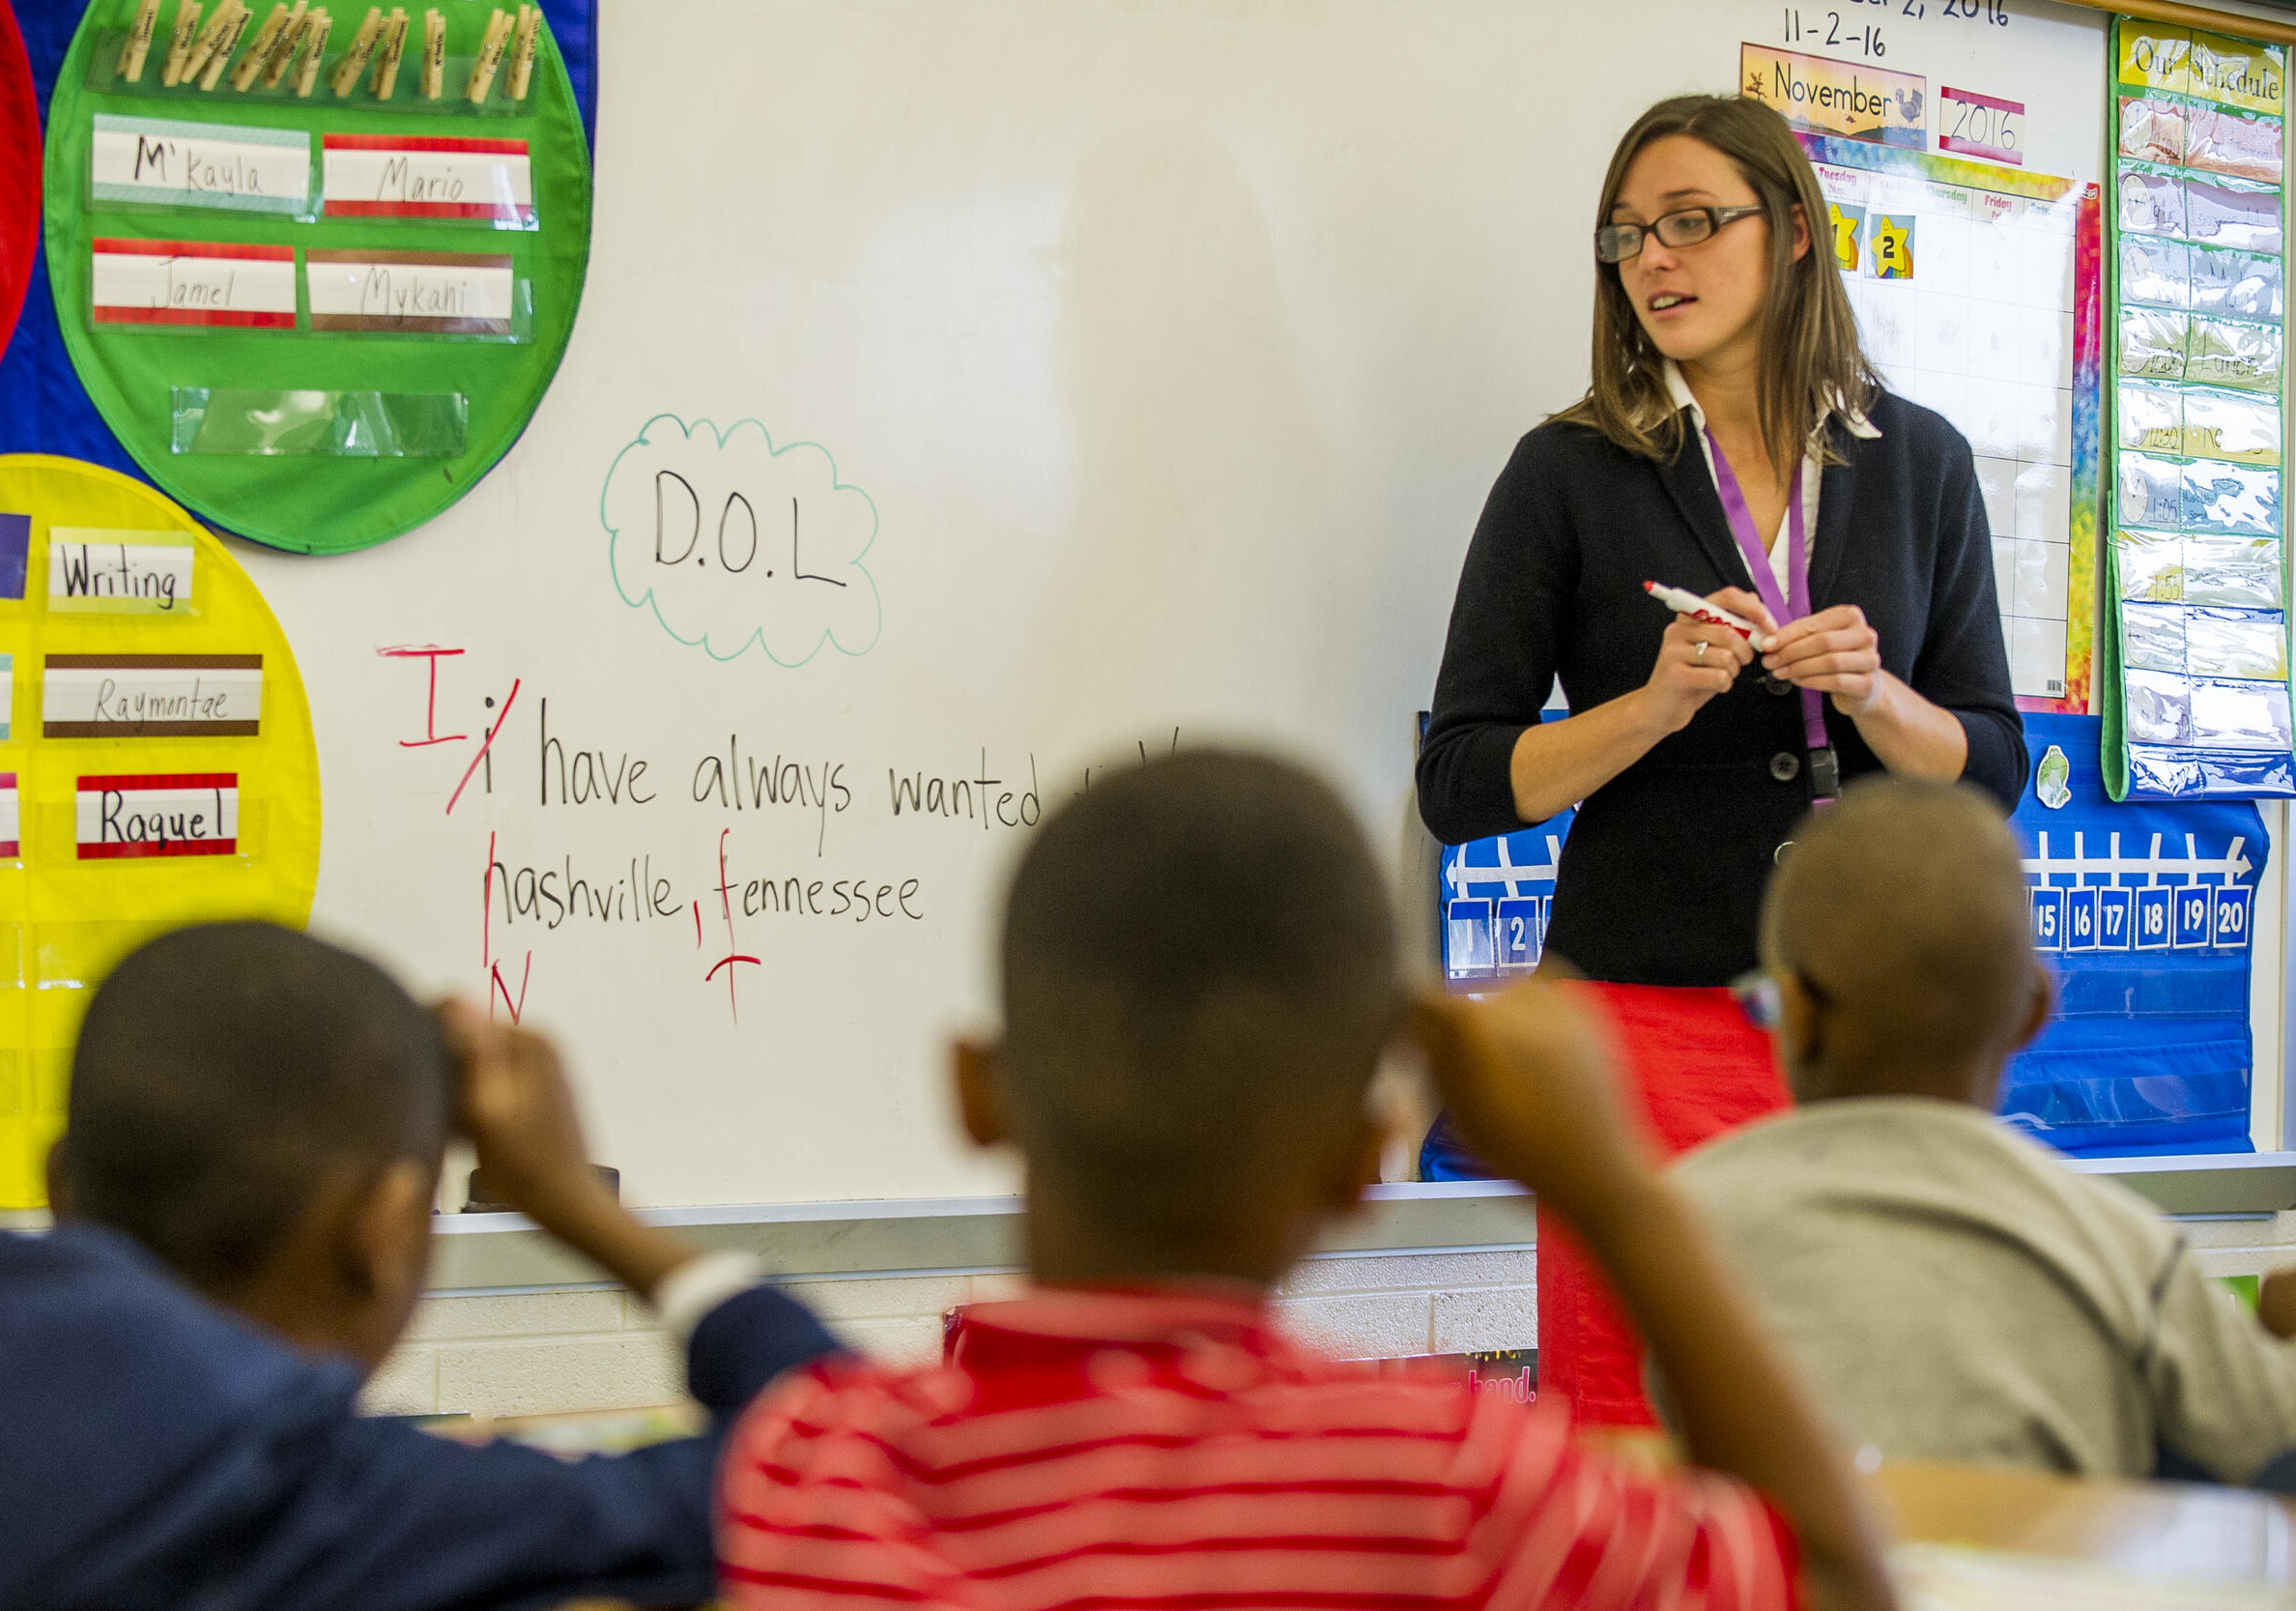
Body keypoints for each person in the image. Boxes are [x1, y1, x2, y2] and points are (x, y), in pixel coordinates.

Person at [721, 750, 1896, 1611]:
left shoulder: (814, 1469)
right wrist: (1614, 1185)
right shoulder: (1451, 1486)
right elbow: (1835, 1577)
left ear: (978, 1091)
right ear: (1363, 1153)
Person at [1415, 93, 2028, 1425]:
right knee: (1635, 1424)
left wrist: (1874, 695)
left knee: (1857, 1428)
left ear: (1796, 233)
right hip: (1643, 1026)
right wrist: (1648, 705)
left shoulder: (1917, 460)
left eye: (1692, 222)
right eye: (1627, 236)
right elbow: (1458, 780)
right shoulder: (1569, 470)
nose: (1655, 260)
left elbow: (1989, 768)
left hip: (1867, 1038)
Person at [0, 921, 838, 1611]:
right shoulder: (302, 1498)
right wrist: (576, 1205)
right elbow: (849, 1461)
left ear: (59, 1185)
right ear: (381, 1228)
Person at [1670, 778, 2296, 1482]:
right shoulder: (2121, 1247)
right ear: (2033, 1012)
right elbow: (2270, 1436)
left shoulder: (1678, 1223)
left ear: (1795, 1013)